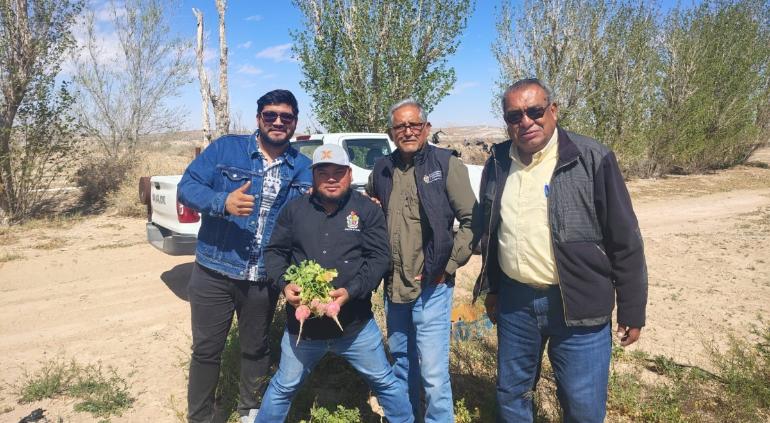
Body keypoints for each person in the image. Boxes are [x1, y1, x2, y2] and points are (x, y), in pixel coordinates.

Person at [472, 78, 648, 422]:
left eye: (535, 111)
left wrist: (632, 308)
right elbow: (492, 232)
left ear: (553, 110)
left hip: (579, 303)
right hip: (516, 303)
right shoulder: (498, 161)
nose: (526, 121)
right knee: (511, 395)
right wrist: (492, 288)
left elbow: (625, 238)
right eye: (514, 116)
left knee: (582, 406)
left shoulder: (591, 157)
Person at [177, 89, 313, 423]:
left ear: (295, 122)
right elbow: (187, 187)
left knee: (256, 349)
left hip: (263, 277)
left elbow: (328, 199)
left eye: (286, 117)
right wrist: (222, 202)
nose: (278, 122)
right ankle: (201, 417)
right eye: (270, 115)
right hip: (214, 271)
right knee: (207, 351)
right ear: (258, 118)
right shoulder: (227, 149)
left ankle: (250, 412)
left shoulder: (302, 167)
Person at [257, 144, 413, 423]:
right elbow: (274, 252)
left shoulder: (366, 210)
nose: (331, 178)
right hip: (303, 330)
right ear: (313, 175)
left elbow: (379, 258)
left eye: (338, 172)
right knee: (283, 386)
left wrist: (351, 292)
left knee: (385, 382)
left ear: (349, 174)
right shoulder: (294, 210)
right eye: (323, 172)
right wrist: (284, 284)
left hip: (356, 327)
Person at [366, 99, 476, 422]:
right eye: (400, 126)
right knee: (402, 364)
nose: (408, 131)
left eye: (414, 124)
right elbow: (369, 206)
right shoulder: (381, 169)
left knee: (433, 373)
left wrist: (447, 266)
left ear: (426, 128)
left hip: (433, 286)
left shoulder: (446, 165)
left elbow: (473, 220)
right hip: (395, 287)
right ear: (391, 133)